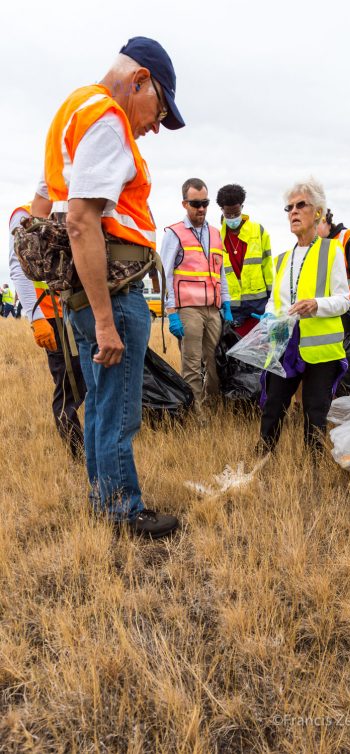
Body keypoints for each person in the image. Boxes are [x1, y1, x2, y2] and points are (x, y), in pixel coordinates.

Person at [34, 36, 184, 538]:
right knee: (119, 410)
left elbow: (41, 208)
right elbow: (79, 222)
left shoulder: (73, 111)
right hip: (113, 296)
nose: (155, 125)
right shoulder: (108, 118)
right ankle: (123, 510)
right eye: (159, 107)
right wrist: (103, 318)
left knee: (100, 403)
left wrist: (59, 284)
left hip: (85, 292)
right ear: (138, 79)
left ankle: (104, 501)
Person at [258, 178, 350, 455]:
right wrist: (268, 318)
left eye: (301, 205)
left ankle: (315, 465)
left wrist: (317, 305)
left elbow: (344, 299)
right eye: (289, 208)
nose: (294, 212)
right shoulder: (282, 259)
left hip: (320, 349)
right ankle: (264, 456)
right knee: (273, 403)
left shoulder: (332, 250)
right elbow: (275, 303)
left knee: (315, 410)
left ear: (318, 212)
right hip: (285, 344)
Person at [9, 203, 86, 457]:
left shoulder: (77, 209)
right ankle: (78, 452)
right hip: (51, 316)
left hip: (80, 310)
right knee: (67, 384)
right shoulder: (25, 214)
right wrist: (36, 318)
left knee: (86, 379)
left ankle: (93, 445)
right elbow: (18, 271)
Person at [161, 178, 232, 410]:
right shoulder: (174, 233)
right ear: (185, 204)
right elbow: (166, 275)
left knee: (216, 362)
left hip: (213, 309)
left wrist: (227, 303)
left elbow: (220, 272)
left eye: (205, 203)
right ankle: (197, 414)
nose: (201, 208)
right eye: (195, 203)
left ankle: (213, 408)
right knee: (191, 364)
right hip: (188, 309)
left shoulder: (215, 233)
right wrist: (171, 312)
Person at [216, 183, 273, 337]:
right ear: (222, 210)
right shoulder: (216, 238)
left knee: (260, 353)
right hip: (232, 309)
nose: (233, 218)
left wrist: (272, 300)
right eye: (229, 214)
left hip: (259, 306)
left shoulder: (258, 232)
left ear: (242, 207)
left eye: (236, 212)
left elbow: (268, 268)